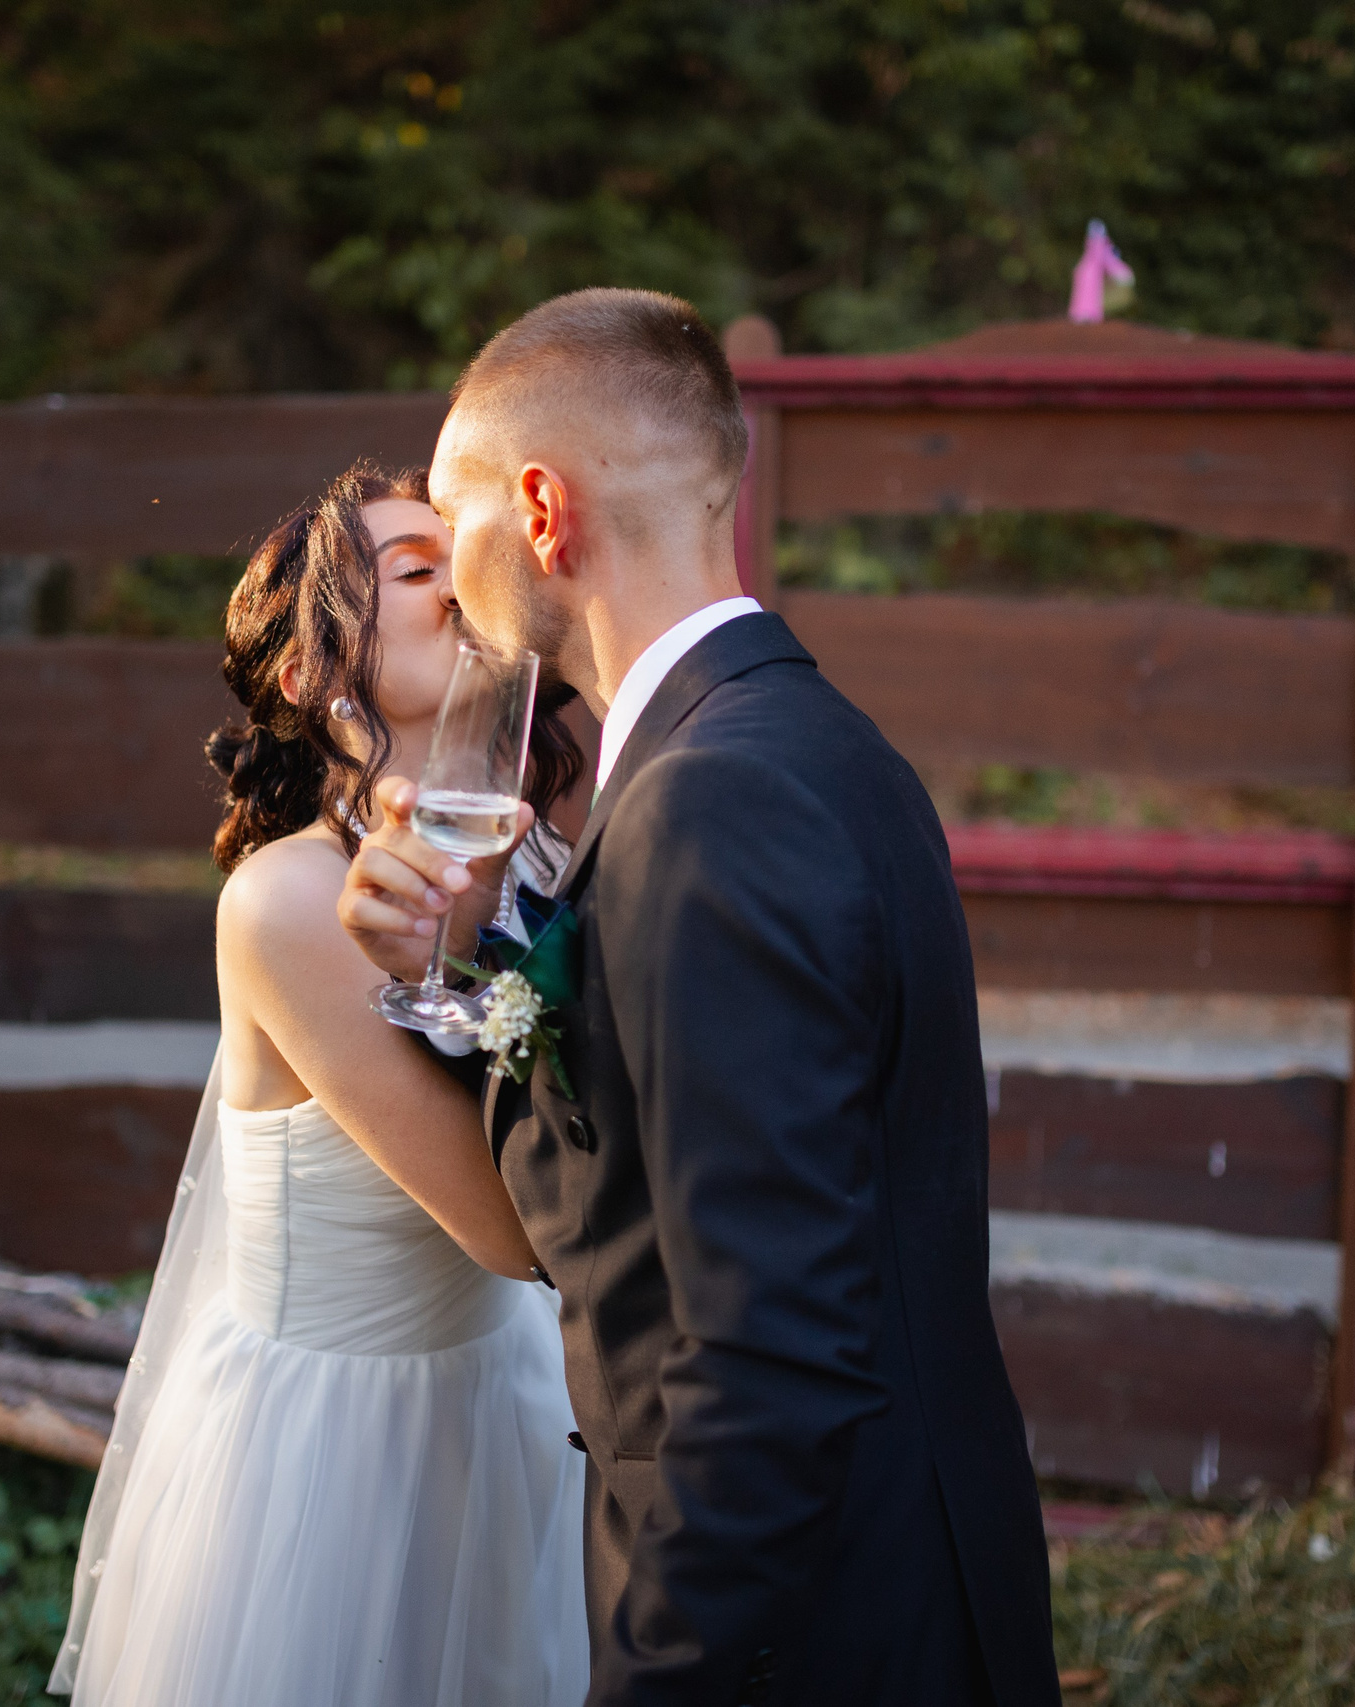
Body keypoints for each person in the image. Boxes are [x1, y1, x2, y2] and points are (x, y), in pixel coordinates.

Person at [339, 291, 1061, 1706]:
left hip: (815, 1636)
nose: (454, 577)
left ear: (540, 512)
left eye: (457, 516)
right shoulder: (815, 743)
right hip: (895, 1575)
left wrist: (659, 1677)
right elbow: (634, 1182)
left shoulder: (708, 799)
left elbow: (764, 1350)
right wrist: (475, 955)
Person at [51, 461, 589, 1707]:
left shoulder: (539, 849)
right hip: (337, 1448)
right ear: (309, 676)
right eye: (416, 567)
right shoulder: (289, 902)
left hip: (505, 1390)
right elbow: (508, 1230)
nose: (461, 581)